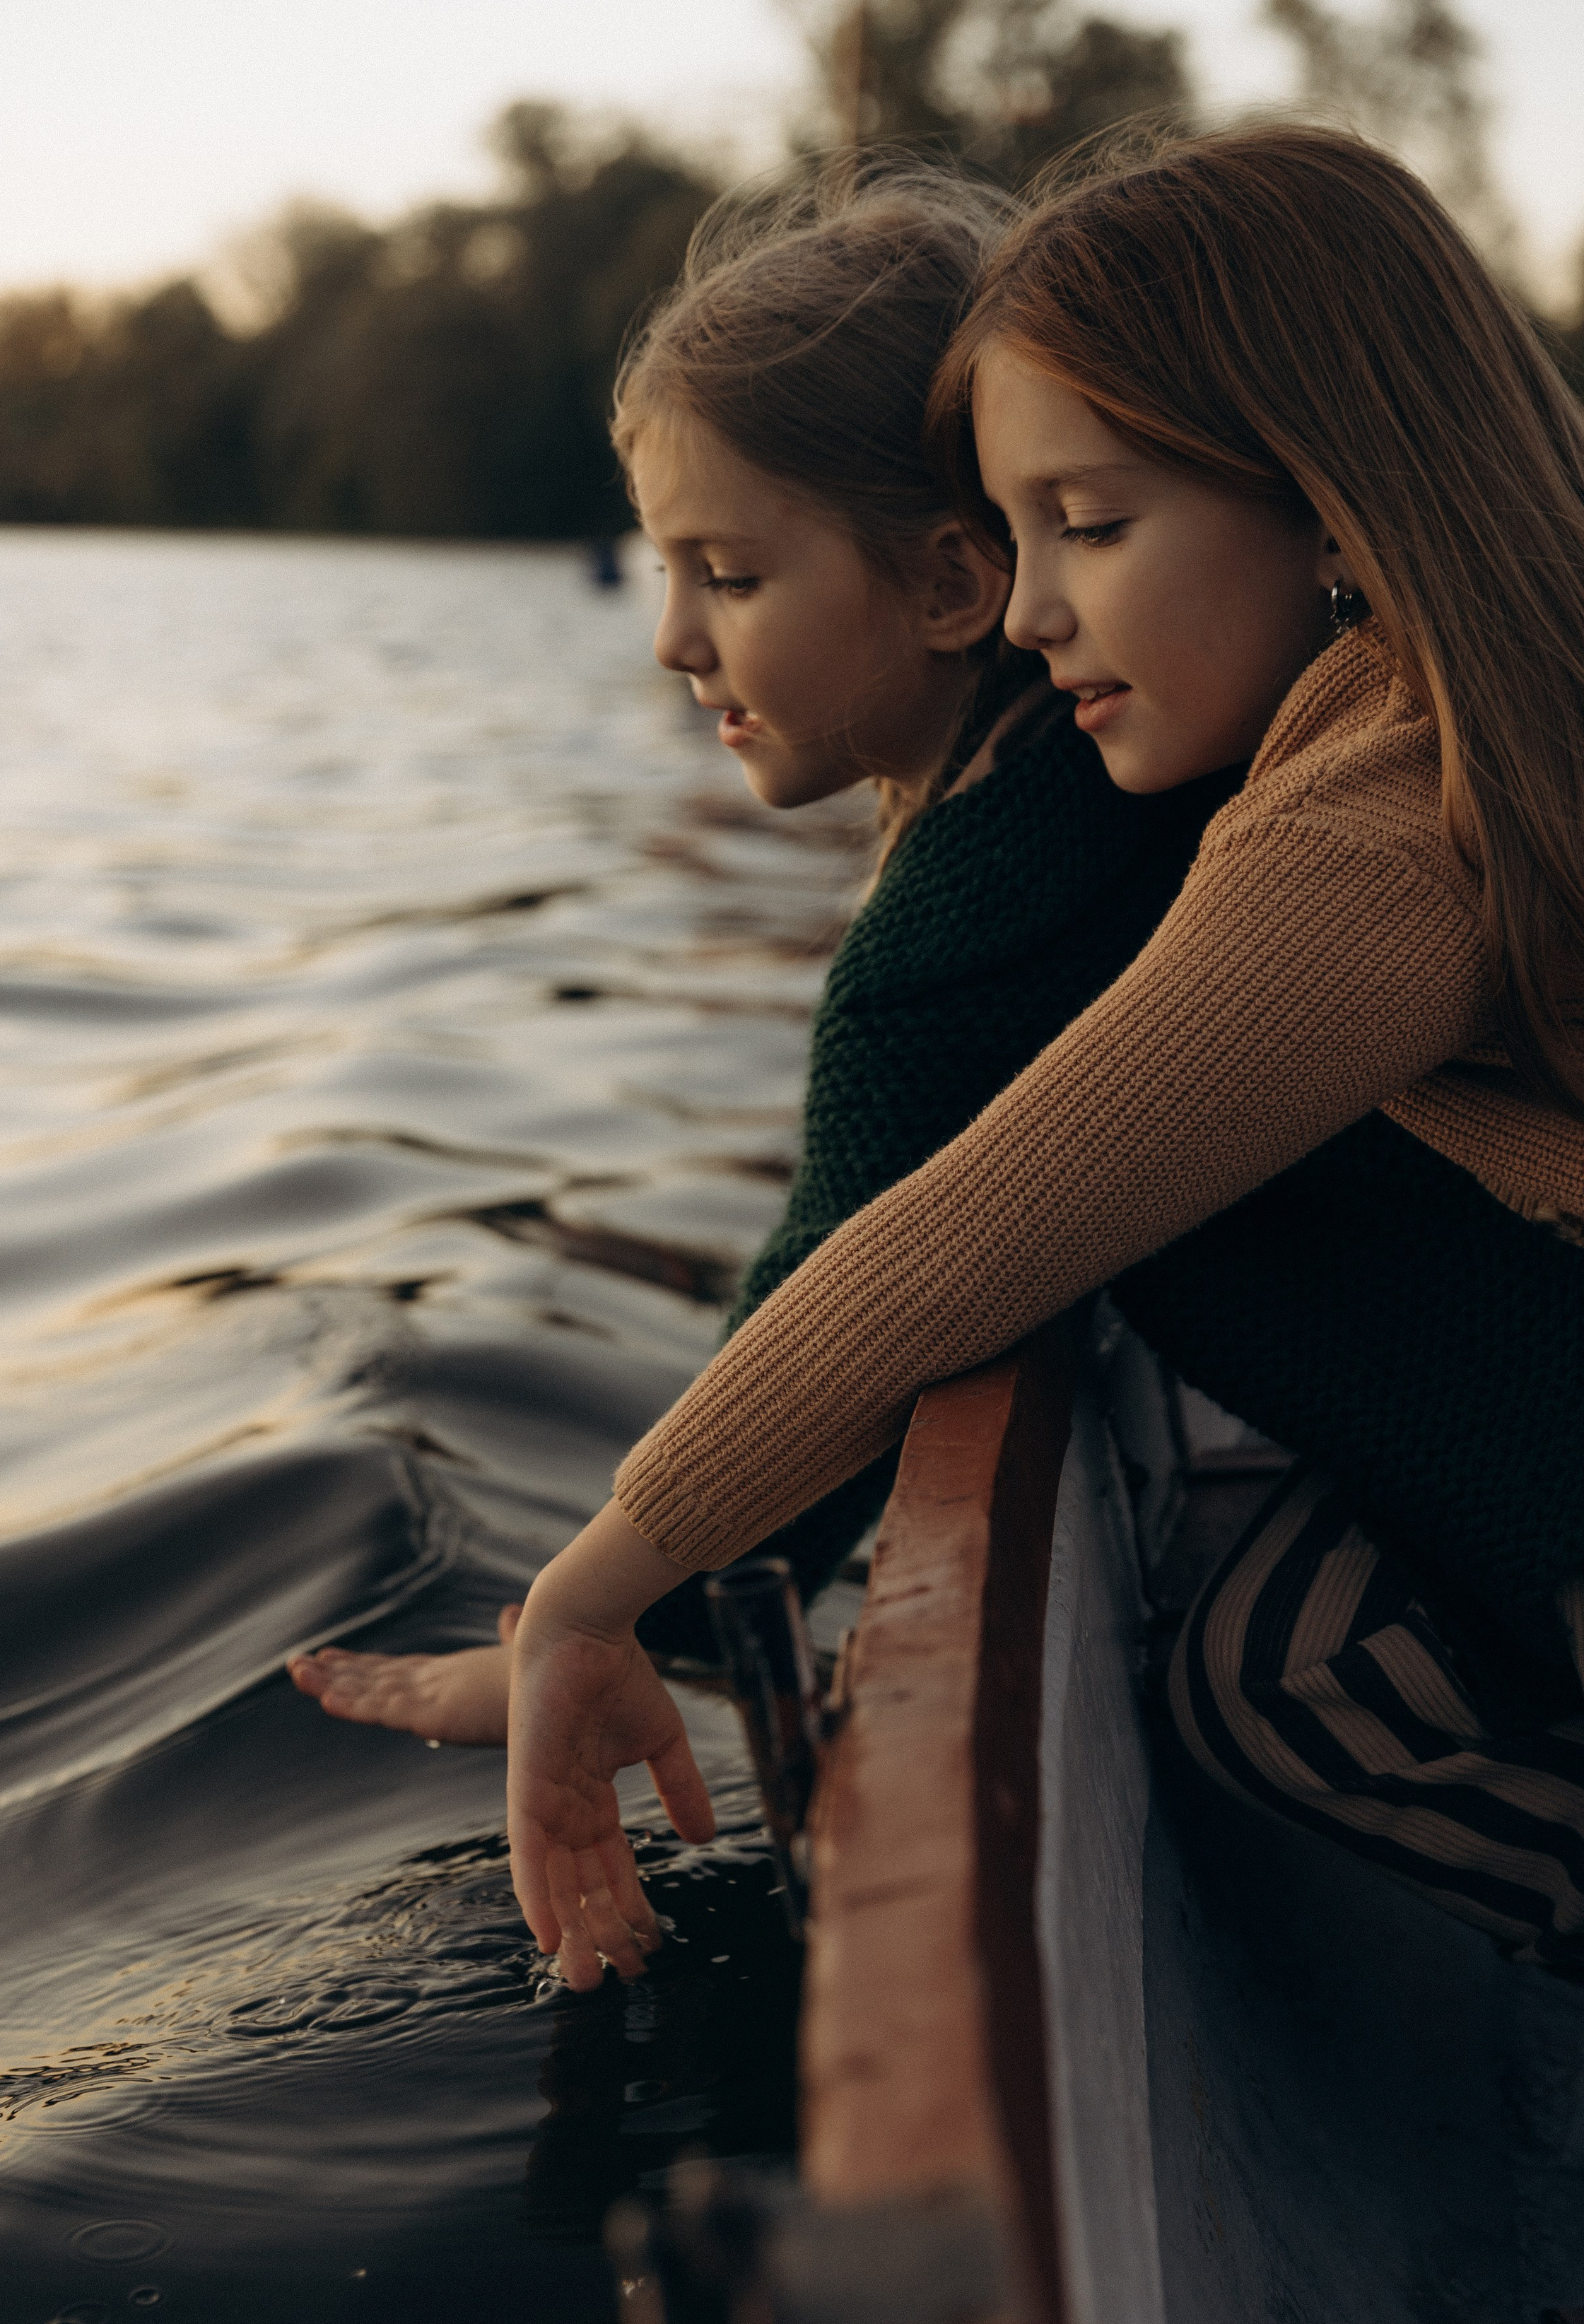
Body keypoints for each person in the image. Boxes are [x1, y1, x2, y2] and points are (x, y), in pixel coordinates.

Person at [491, 125, 1584, 2055]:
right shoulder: (1435, 703)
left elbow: (968, 1234)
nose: (1037, 614)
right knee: (1278, 1663)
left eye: (1094, 525)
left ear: (1329, 503)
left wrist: (591, 1586)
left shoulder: (1375, 836)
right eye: (1017, 532)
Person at [291, 163, 1244, 1732]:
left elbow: (835, 1304)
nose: (670, 638)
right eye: (666, 569)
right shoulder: (1120, 777)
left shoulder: (963, 929)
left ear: (950, 580)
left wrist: (621, 1623)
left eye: (725, 575)